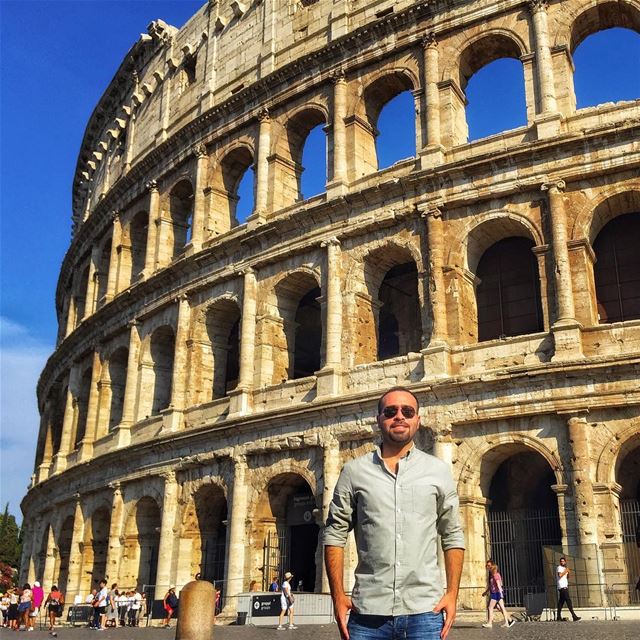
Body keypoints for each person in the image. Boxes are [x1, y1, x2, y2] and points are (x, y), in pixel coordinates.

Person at [324, 386, 465, 640]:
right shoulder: (353, 471)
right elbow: (334, 534)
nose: (399, 416)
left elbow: (453, 534)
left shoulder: (438, 470)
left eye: (407, 411)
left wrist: (453, 594)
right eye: (390, 411)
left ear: (418, 420)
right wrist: (337, 596)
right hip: (367, 612)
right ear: (378, 419)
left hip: (425, 611)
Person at [481, 562, 515, 628]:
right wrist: (486, 592)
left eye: (489, 566)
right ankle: (508, 622)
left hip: (496, 593)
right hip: (497, 593)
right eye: (487, 566)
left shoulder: (495, 575)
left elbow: (499, 584)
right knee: (501, 608)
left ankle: (490, 623)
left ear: (493, 568)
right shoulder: (494, 575)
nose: (488, 567)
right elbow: (492, 586)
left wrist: (500, 593)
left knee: (490, 607)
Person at [556, 557, 580, 621]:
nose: (562, 562)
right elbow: (560, 575)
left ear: (565, 562)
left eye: (563, 561)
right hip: (562, 587)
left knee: (561, 602)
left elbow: (568, 577)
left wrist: (568, 572)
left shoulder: (565, 568)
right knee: (568, 600)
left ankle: (558, 616)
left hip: (565, 586)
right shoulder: (559, 568)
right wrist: (565, 571)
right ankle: (574, 616)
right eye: (561, 561)